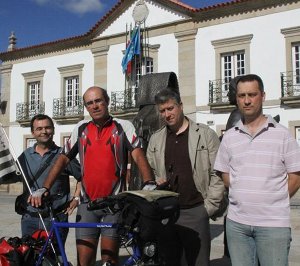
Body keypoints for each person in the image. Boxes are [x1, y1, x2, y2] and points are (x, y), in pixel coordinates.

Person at [29, 86, 153, 266]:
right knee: (84, 261)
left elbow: (137, 154)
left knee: (109, 260)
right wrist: (44, 187)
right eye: (89, 103)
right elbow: (63, 158)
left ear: (107, 101)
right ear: (86, 107)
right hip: (87, 205)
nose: (94, 106)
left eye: (98, 101)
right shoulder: (81, 128)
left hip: (114, 204)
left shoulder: (123, 126)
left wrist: (149, 181)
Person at [214, 74, 300, 266]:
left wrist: (272, 200)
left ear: (263, 95)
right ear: (236, 98)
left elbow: (295, 176)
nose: (246, 100)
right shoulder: (229, 137)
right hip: (237, 226)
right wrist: (240, 192)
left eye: (252, 95)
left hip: (273, 225)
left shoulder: (282, 135)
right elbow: (224, 173)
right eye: (242, 95)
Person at [146, 87, 226, 266]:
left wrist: (209, 207)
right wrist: (155, 181)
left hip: (196, 209)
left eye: (170, 108)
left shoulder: (205, 135)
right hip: (167, 212)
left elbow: (218, 172)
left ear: (180, 106)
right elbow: (150, 169)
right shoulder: (156, 139)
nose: (167, 114)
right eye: (162, 111)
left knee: (198, 262)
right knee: (170, 260)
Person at [0, 114, 81, 245]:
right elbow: (12, 176)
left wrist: (76, 198)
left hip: (56, 217)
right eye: (39, 128)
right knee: (29, 257)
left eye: (48, 128)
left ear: (53, 130)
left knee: (55, 258)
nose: (44, 131)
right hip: (29, 218)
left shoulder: (64, 155)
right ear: (33, 132)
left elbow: (82, 176)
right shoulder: (25, 155)